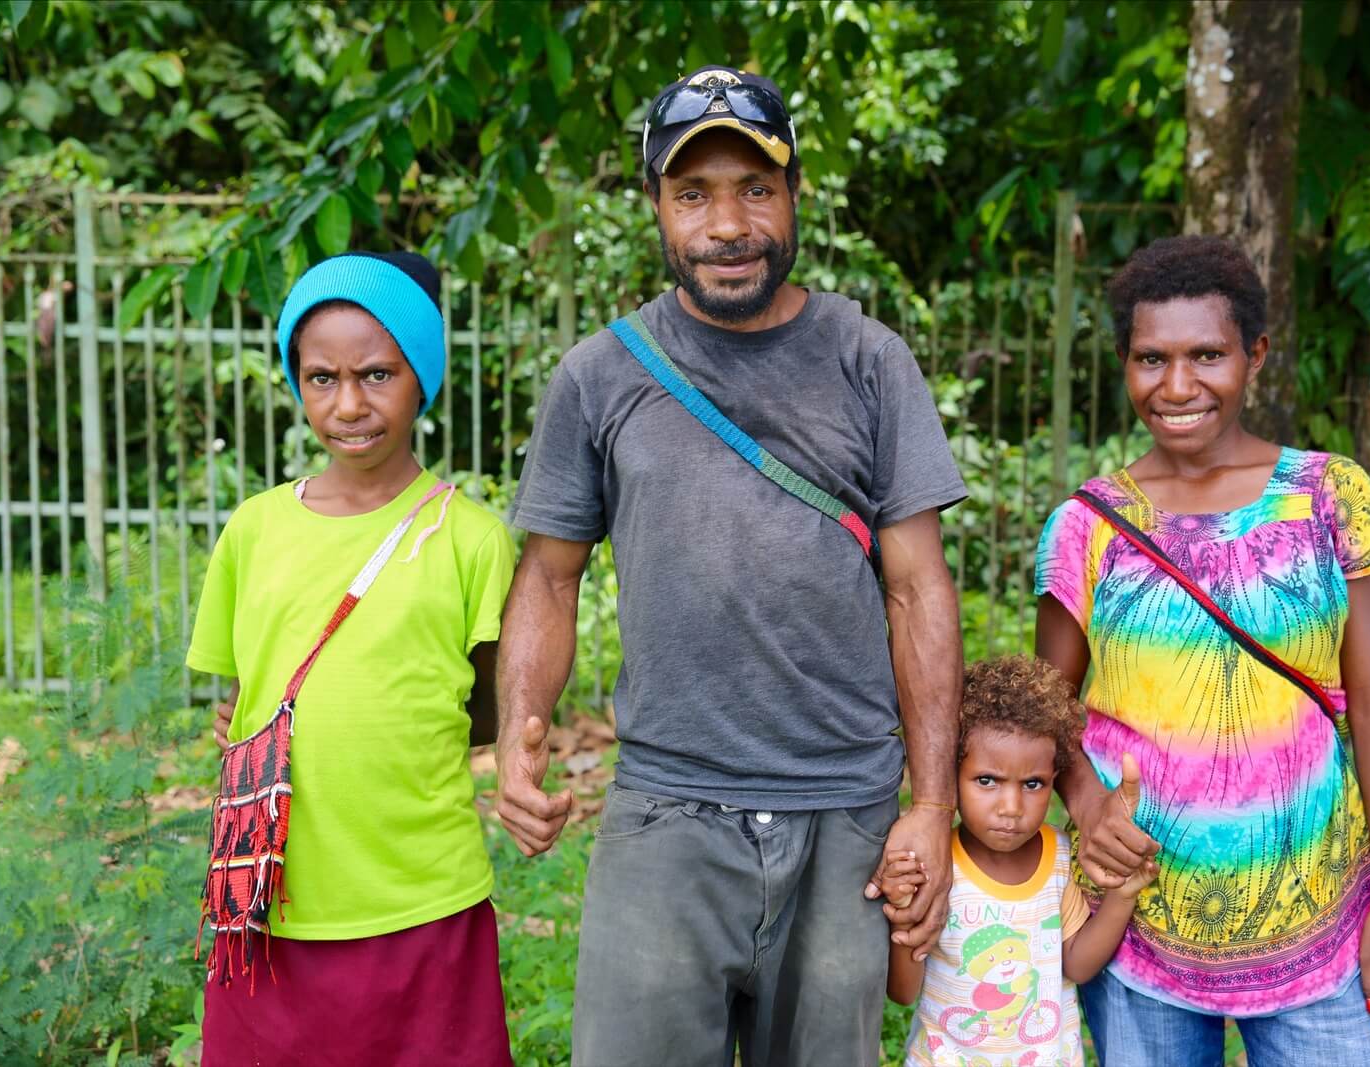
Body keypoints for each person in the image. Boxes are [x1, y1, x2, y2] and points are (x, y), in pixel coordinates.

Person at [497, 65, 967, 1066]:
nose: (727, 224)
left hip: (844, 813)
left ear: (795, 194)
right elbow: (547, 575)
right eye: (693, 193)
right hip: (667, 809)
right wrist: (515, 735)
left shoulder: (868, 359)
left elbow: (917, 585)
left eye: (755, 188)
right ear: (657, 208)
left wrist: (929, 806)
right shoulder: (600, 374)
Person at [1034, 235, 1370, 1066]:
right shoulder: (1088, 524)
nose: (1177, 387)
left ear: (1256, 354)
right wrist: (1088, 803)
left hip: (1322, 919)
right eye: (1151, 359)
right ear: (1125, 364)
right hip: (1137, 926)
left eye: (1207, 354)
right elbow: (1046, 712)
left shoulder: (1330, 496)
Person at [189, 252, 516, 1066]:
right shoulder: (253, 531)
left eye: (377, 373)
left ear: (422, 379)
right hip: (271, 901)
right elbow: (243, 697)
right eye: (322, 378)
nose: (349, 404)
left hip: (423, 896)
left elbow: (491, 708)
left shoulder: (471, 538)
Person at [881, 655, 1158, 1067]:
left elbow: (1077, 966)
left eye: (1033, 784)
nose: (1011, 807)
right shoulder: (935, 865)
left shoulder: (1061, 858)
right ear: (952, 773)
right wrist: (905, 911)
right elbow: (902, 993)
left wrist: (1122, 897)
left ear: (1055, 778)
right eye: (987, 781)